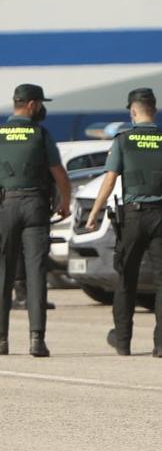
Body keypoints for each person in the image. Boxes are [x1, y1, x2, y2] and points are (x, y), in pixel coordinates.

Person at [85, 88, 162, 357]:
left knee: (127, 277)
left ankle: (123, 340)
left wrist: (94, 212)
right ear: (154, 109)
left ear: (133, 110)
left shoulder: (123, 140)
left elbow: (110, 180)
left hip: (133, 216)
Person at [0, 84, 72, 357]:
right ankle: (36, 340)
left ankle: (1, 341)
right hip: (36, 207)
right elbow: (60, 175)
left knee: (3, 273)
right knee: (36, 273)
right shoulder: (41, 134)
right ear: (31, 105)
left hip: (6, 206)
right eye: (40, 103)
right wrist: (65, 203)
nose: (42, 108)